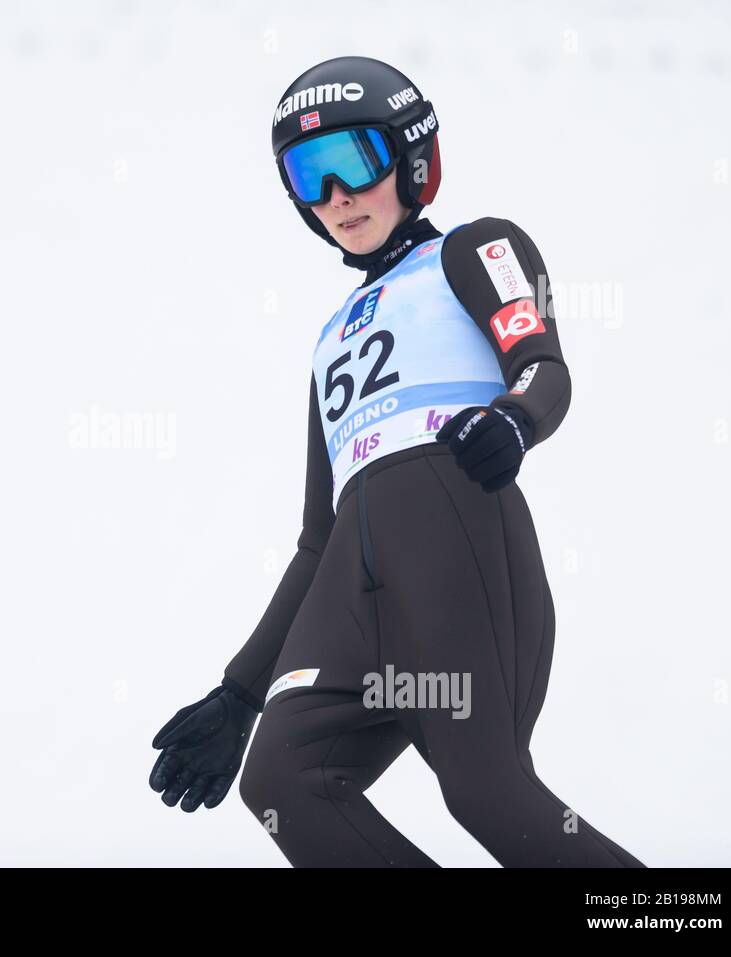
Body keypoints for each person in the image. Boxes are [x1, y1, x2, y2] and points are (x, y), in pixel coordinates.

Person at [149, 55, 645, 867]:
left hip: (454, 539)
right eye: (310, 174)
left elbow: (542, 368)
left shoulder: (477, 249)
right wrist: (240, 691)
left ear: (415, 160)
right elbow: (318, 538)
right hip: (352, 582)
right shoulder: (328, 338)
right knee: (284, 780)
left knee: (486, 790)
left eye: (357, 161)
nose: (337, 195)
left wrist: (514, 423)